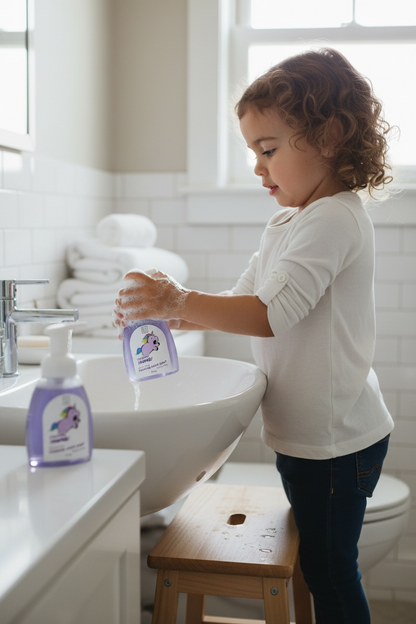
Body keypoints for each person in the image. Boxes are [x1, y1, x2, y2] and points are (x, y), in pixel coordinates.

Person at [114, 48, 395, 623]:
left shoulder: (334, 217)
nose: (257, 167)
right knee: (324, 565)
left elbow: (271, 314)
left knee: (332, 572)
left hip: (337, 442)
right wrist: (169, 315)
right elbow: (243, 300)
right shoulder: (290, 222)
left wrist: (178, 300)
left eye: (268, 150)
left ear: (330, 136)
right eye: (252, 153)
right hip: (315, 436)